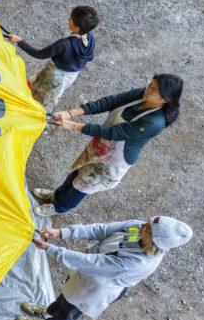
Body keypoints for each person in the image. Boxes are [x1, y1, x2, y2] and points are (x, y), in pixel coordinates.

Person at [34, 74, 182, 215]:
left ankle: (60, 207)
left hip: (114, 159)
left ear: (164, 99)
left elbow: (113, 133)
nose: (147, 90)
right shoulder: (143, 95)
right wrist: (71, 113)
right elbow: (111, 101)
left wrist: (72, 125)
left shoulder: (154, 123)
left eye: (153, 90)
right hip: (100, 145)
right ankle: (57, 195)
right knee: (78, 170)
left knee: (83, 184)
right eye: (150, 85)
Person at [21, 216, 192, 320]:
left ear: (155, 242)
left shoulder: (136, 263)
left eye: (148, 229)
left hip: (94, 288)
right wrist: (61, 232)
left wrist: (51, 249)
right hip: (86, 274)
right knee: (65, 296)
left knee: (67, 313)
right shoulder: (137, 227)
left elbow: (92, 263)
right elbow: (101, 230)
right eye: (148, 222)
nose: (142, 225)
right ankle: (47, 312)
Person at [7, 5, 97, 112]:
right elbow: (90, 57)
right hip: (70, 76)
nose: (69, 19)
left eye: (71, 19)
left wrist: (19, 41)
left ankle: (24, 108)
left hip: (53, 76)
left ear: (76, 28)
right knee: (49, 96)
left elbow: (39, 54)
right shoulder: (90, 38)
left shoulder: (64, 44)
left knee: (38, 97)